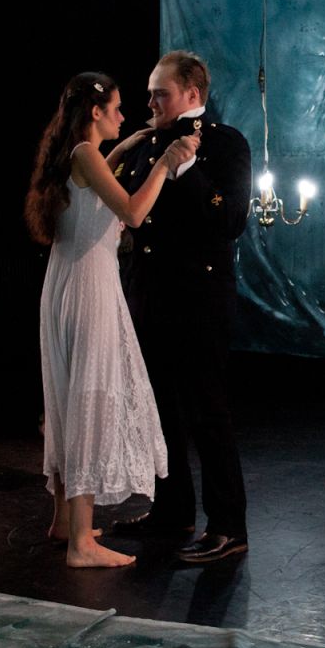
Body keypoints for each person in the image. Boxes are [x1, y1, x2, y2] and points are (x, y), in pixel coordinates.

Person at [25, 72, 199, 568]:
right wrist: (164, 163)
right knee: (87, 401)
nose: (125, 115)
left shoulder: (75, 154)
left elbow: (99, 176)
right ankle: (81, 544)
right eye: (118, 108)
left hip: (63, 284)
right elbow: (134, 212)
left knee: (67, 398)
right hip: (88, 289)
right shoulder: (84, 153)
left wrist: (126, 146)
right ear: (96, 112)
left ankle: (65, 521)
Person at [107, 50, 254, 564]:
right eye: (149, 94)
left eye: (160, 94)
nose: (150, 103)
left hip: (199, 298)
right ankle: (172, 510)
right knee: (159, 411)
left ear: (192, 94)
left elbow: (231, 220)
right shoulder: (146, 145)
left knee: (207, 412)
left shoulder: (226, 143)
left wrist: (186, 167)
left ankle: (228, 526)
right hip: (148, 293)